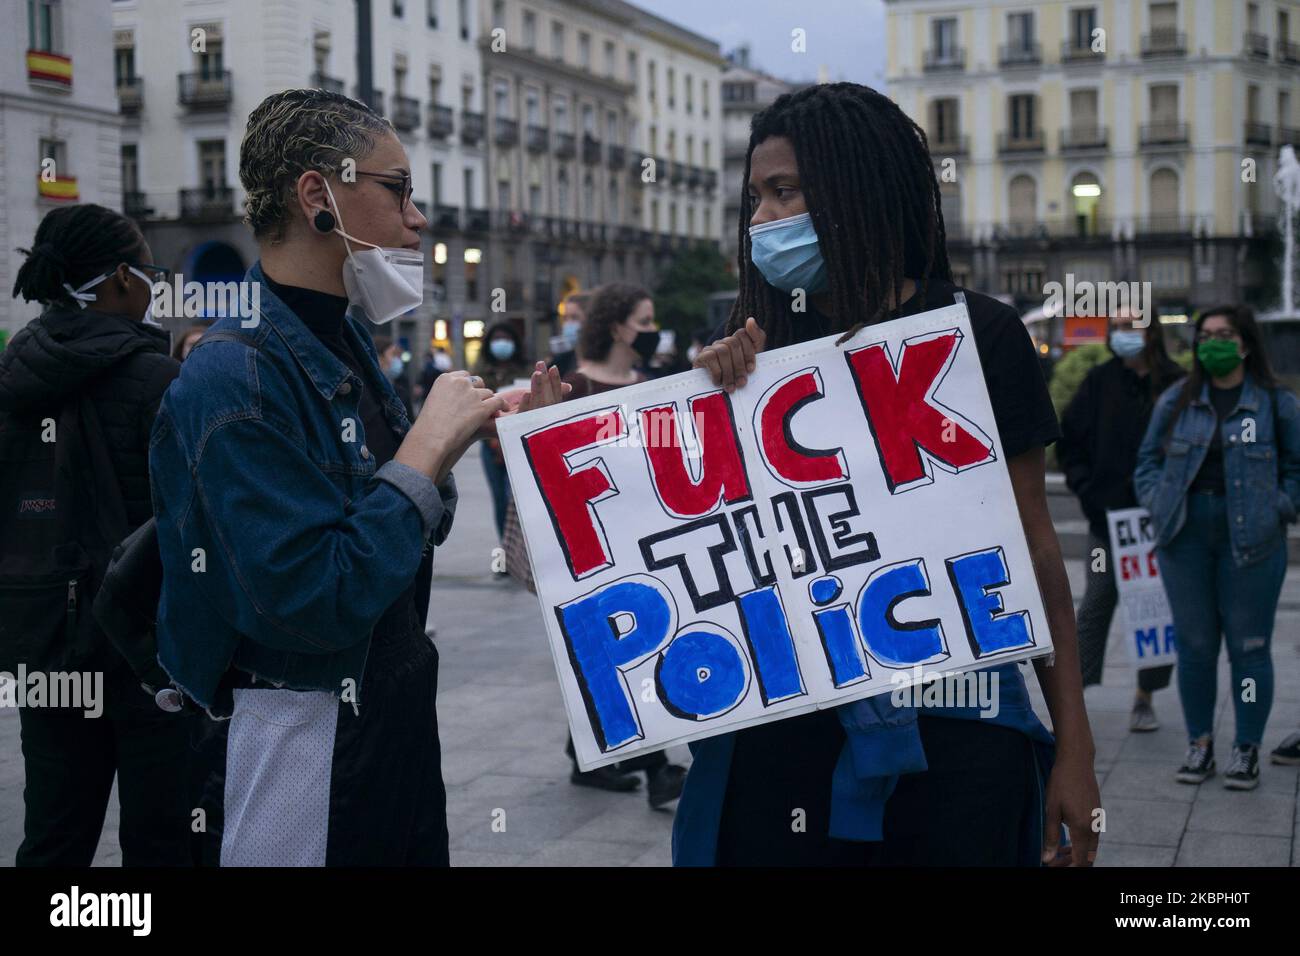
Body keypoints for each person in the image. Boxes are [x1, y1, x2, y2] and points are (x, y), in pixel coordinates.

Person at [684, 82, 1100, 866]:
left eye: (785, 192)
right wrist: (705, 399)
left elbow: (1036, 553)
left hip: (960, 737)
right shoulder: (751, 353)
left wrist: (1072, 745)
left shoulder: (980, 335)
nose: (763, 221)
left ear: (855, 191)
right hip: (787, 747)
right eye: (755, 200)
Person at [148, 88, 566, 866]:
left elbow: (412, 526)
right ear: (319, 195)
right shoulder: (231, 377)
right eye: (397, 189)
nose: (418, 218)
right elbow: (311, 597)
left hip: (387, 715)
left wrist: (463, 439)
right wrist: (421, 453)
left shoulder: (341, 342)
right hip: (298, 733)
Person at [0, 203, 191, 866]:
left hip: (45, 647)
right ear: (118, 280)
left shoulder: (10, 380)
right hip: (149, 655)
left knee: (53, 835)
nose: (154, 286)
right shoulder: (163, 382)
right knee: (165, 839)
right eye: (150, 272)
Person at [1134, 305, 1300, 790]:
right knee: (1196, 648)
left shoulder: (1275, 403)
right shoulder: (1177, 401)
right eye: (1205, 335)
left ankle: (1245, 746)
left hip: (1252, 539)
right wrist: (1156, 500)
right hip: (1184, 536)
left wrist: (1280, 506)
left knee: (1250, 648)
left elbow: (1297, 466)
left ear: (1245, 343)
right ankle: (1200, 743)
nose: (1213, 343)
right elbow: (1146, 460)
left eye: (1224, 334)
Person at [559, 282, 689, 808]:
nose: (652, 330)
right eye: (644, 320)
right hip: (590, 549)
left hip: (642, 544)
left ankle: (586, 753)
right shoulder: (573, 387)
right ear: (616, 327)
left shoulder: (653, 384)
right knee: (617, 650)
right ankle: (655, 768)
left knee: (617, 651)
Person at [1057, 308, 1184, 731]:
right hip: (1107, 522)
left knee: (1154, 610)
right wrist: (1086, 489)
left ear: (1150, 332)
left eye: (1131, 326)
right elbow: (1069, 440)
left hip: (1162, 524)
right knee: (1095, 605)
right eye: (1116, 327)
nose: (1121, 334)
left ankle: (1145, 697)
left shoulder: (1176, 383)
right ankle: (1072, 703)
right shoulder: (1099, 381)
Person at [474, 321, 532, 542]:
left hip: (518, 443)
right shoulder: (480, 373)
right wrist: (493, 442)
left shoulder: (525, 371)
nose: (501, 344)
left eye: (506, 339)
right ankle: (506, 550)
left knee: (517, 499)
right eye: (497, 339)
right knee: (500, 499)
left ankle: (524, 551)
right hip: (491, 445)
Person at [372, 335, 413, 419]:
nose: (397, 359)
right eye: (393, 354)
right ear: (379, 357)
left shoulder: (401, 391)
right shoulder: (367, 391)